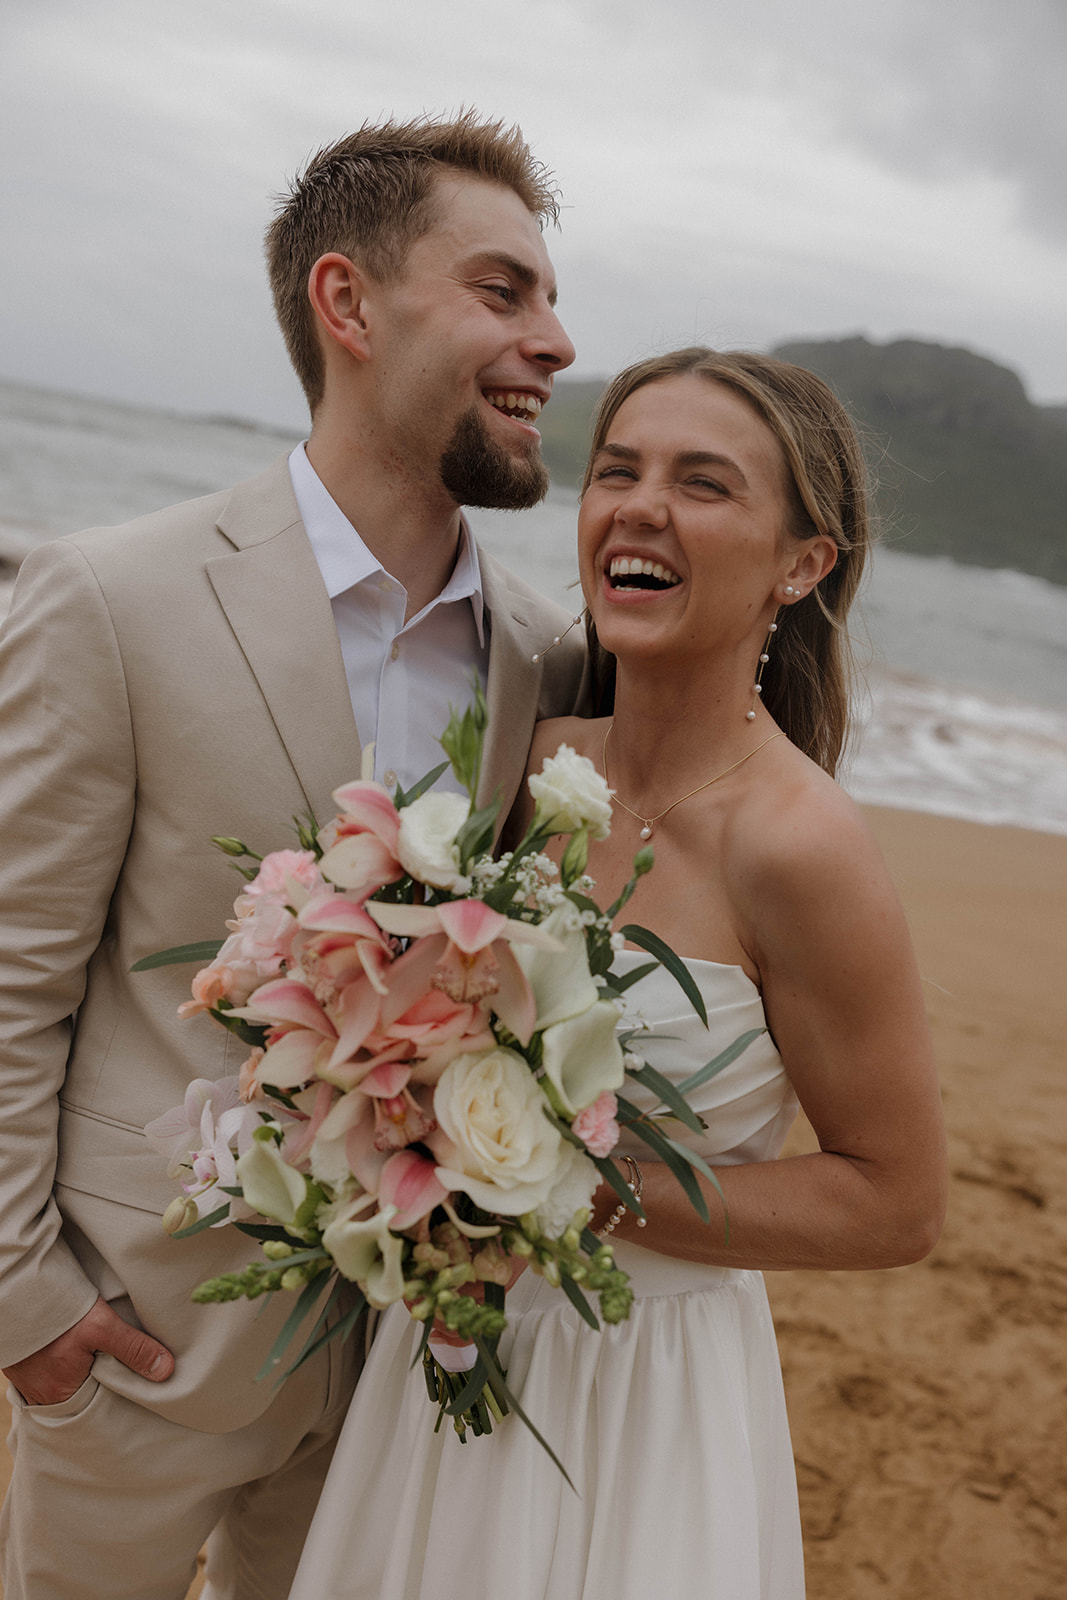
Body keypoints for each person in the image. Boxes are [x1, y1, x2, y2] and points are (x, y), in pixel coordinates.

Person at [0, 112, 586, 1600]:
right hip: (138, 1346)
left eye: (550, 300)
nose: (557, 342)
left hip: (403, 1372)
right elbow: (13, 976)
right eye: (503, 292)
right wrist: (26, 1306)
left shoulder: (540, 661)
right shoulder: (108, 598)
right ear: (347, 303)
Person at [287, 347, 948, 1600]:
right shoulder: (526, 764)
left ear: (802, 564)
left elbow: (893, 1203)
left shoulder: (799, 845)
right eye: (618, 470)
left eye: (703, 484)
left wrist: (562, 1189)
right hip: (445, 1353)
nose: (640, 507)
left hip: (641, 1384)